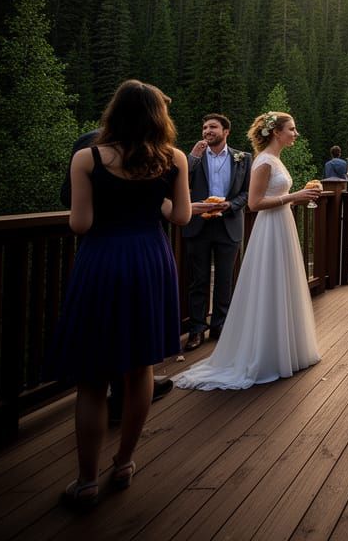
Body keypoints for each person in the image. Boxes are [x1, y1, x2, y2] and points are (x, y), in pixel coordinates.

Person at [51, 80, 191, 508]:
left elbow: (80, 223)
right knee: (140, 368)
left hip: (103, 261)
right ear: (158, 117)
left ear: (114, 113)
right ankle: (125, 463)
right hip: (150, 259)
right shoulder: (173, 160)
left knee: (92, 377)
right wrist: (155, 206)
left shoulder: (87, 158)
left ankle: (87, 480)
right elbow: (182, 216)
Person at [172, 111, 321, 390]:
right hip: (269, 228)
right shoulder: (264, 161)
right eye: (292, 128)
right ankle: (259, 351)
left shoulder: (271, 159)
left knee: (277, 285)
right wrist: (295, 196)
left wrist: (295, 197)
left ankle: (282, 348)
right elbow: (254, 203)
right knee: (263, 285)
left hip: (280, 224)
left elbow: (266, 197)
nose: (295, 133)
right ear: (276, 132)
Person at [60, 129, 174, 419]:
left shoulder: (86, 152)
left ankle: (112, 394)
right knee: (138, 336)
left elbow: (77, 218)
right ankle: (124, 458)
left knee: (99, 338)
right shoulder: (167, 154)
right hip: (147, 251)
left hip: (100, 250)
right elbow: (181, 213)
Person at [182, 114, 252, 351]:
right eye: (204, 127)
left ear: (226, 132)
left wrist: (230, 205)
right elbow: (180, 181)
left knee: (225, 279)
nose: (207, 131)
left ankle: (220, 326)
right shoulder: (194, 157)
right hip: (198, 224)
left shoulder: (243, 158)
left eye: (212, 127)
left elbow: (247, 192)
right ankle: (197, 329)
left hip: (228, 223)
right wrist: (193, 156)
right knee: (198, 280)